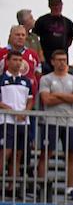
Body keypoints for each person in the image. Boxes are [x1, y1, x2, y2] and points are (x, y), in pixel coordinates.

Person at [38, 48, 73, 194]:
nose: (62, 63)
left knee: (71, 155)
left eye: (64, 60)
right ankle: (42, 186)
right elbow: (46, 100)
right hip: (50, 121)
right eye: (59, 60)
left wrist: (56, 95)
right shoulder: (46, 79)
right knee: (46, 153)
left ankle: (70, 188)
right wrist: (66, 96)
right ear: (52, 62)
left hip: (70, 123)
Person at [0, 50, 34, 181]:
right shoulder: (2, 79)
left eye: (20, 60)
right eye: (14, 60)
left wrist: (25, 111)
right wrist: (8, 109)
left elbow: (30, 100)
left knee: (18, 154)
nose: (18, 63)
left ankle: (11, 187)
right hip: (6, 121)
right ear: (7, 61)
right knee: (5, 152)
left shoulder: (26, 81)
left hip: (22, 122)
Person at [33, 0, 73, 71]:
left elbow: (71, 38)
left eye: (58, 5)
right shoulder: (42, 20)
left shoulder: (68, 22)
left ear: (62, 5)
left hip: (62, 58)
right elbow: (34, 37)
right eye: (53, 5)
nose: (56, 7)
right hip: (46, 58)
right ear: (49, 6)